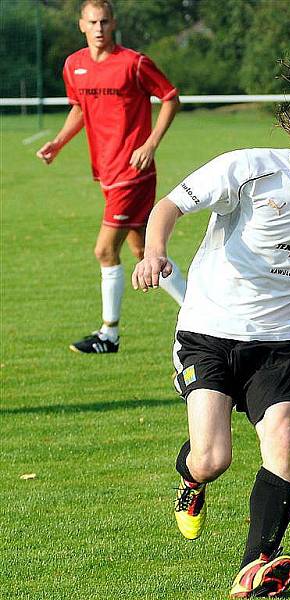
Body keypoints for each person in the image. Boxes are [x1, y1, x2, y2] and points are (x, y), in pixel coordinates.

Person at [131, 65, 290, 598]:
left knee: (284, 438)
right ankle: (192, 482)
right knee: (212, 459)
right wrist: (155, 252)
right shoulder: (247, 169)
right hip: (210, 331)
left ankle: (256, 564)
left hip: (283, 340)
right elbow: (168, 205)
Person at [36, 0, 185, 354]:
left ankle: (109, 334)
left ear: (113, 23)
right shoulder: (74, 66)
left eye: (105, 21)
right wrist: (58, 142)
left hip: (133, 173)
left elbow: (170, 97)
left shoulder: (134, 63)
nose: (99, 27)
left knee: (105, 250)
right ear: (81, 25)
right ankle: (205, 313)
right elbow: (79, 109)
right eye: (93, 22)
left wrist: (150, 144)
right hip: (106, 171)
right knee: (142, 251)